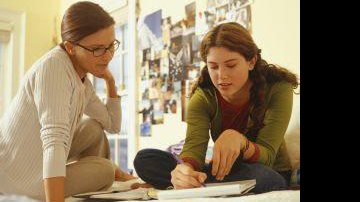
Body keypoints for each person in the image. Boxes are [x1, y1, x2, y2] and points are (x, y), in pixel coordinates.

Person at [134, 22, 299, 193]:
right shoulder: (203, 96)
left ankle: (204, 184)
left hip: (268, 169)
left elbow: (268, 156)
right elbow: (194, 146)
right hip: (220, 171)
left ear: (251, 61)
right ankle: (200, 182)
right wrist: (185, 169)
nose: (221, 76)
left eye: (231, 65)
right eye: (213, 67)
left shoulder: (279, 88)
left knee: (264, 177)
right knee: (145, 159)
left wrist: (241, 142)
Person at [0, 2, 134, 201]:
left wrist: (110, 81)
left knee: (92, 128)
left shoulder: (81, 80)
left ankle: (88, 185)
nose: (107, 56)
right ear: (70, 47)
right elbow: (54, 139)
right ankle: (71, 186)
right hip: (16, 178)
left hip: (32, 165)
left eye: (111, 46)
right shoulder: (54, 69)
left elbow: (112, 125)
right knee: (106, 170)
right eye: (97, 49)